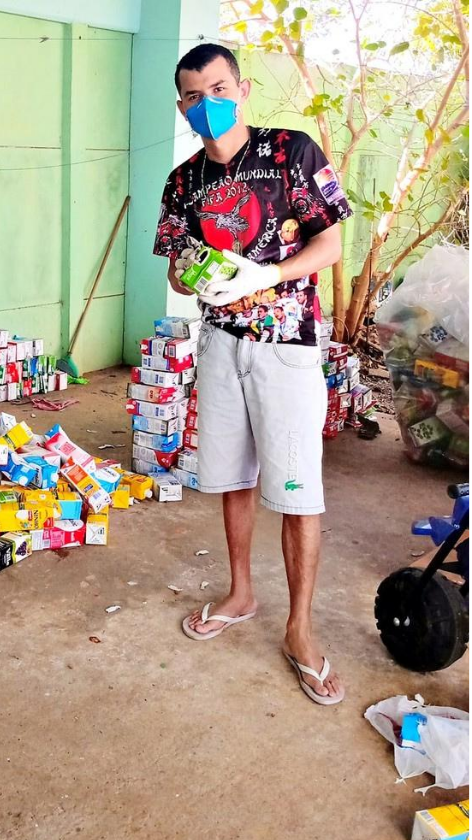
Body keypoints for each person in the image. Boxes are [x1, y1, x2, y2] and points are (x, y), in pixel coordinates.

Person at [153, 44, 353, 705]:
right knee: (230, 476)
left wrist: (271, 272)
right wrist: (194, 277)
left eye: (216, 88)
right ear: (182, 107)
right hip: (220, 347)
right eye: (191, 95)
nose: (205, 103)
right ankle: (241, 592)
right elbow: (176, 266)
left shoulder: (290, 152)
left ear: (239, 89)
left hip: (286, 348)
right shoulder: (183, 183)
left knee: (298, 492)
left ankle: (300, 628)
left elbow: (331, 240)